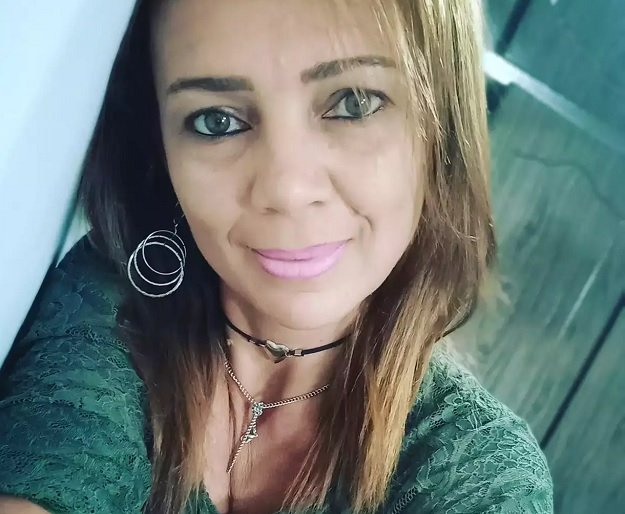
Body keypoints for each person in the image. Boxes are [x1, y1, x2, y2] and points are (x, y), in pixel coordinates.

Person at [0, 0, 554, 513]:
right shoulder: (120, 292)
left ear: (441, 132)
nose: (286, 189)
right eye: (216, 121)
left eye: (353, 104)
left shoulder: (478, 471)